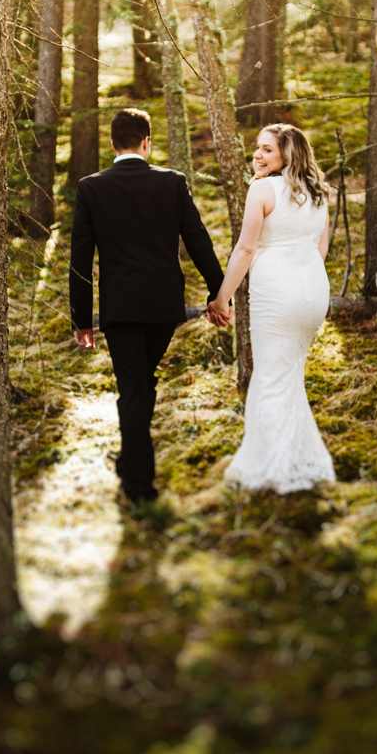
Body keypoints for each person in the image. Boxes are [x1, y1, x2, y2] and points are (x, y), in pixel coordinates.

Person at [69, 107, 230, 506]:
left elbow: (80, 259)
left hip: (119, 309)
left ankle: (138, 482)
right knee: (142, 384)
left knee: (133, 388)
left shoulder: (91, 188)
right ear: (147, 142)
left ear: (111, 144)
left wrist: (80, 319)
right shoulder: (172, 183)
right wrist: (217, 293)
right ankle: (132, 466)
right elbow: (199, 242)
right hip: (163, 308)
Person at [214, 122, 335, 493]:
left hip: (277, 297)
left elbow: (246, 249)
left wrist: (222, 297)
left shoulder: (262, 189)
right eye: (258, 148)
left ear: (287, 154)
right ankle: (301, 460)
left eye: (267, 149)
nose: (258, 154)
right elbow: (321, 249)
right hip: (313, 293)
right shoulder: (319, 193)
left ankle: (268, 469)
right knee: (288, 377)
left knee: (269, 377)